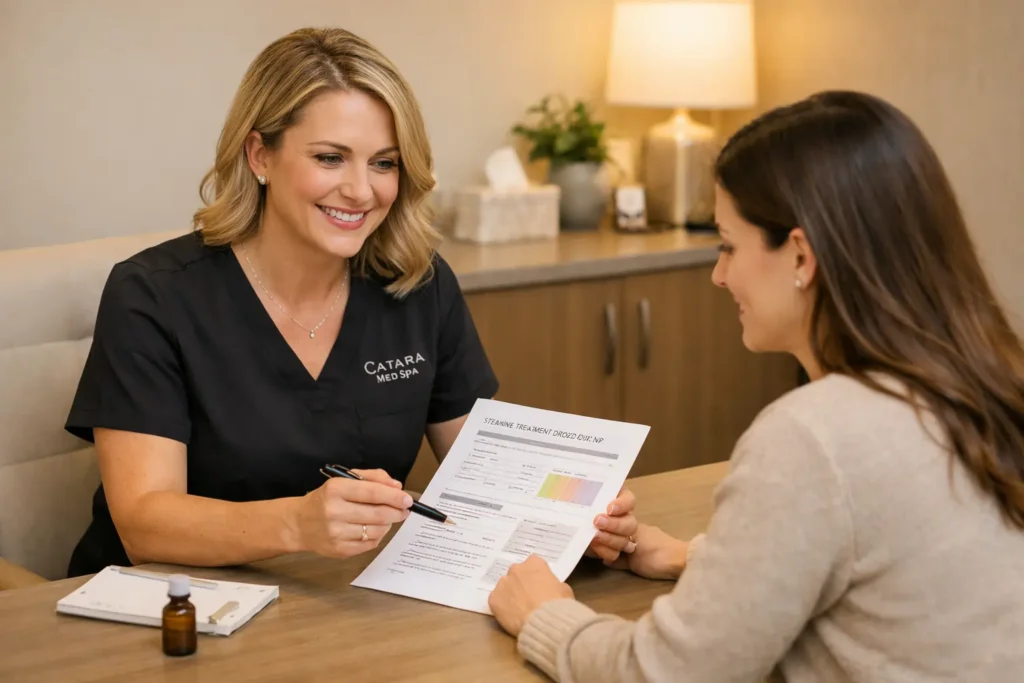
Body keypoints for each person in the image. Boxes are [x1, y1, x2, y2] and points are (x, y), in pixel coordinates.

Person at [488, 90, 1024, 682]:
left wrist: (544, 614)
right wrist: (694, 556)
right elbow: (890, 561)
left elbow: (665, 673)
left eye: (727, 245)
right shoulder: (980, 382)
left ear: (800, 256)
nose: (718, 276)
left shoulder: (812, 436)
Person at [64, 27, 637, 578]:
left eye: (384, 163)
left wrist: (576, 522)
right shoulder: (153, 295)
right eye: (330, 158)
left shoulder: (416, 284)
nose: (362, 191)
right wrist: (297, 523)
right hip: (167, 610)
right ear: (260, 156)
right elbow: (144, 524)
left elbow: (487, 472)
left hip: (340, 601)